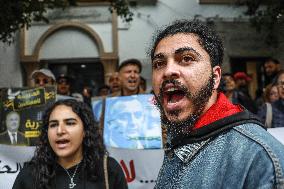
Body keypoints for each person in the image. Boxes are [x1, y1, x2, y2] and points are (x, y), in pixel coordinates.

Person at [150, 20, 284, 188]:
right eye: (159, 63)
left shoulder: (261, 159)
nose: (168, 71)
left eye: (186, 58)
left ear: (215, 78)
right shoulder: (178, 138)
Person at [13, 99, 128, 189]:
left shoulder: (108, 169)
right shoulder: (30, 174)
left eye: (70, 123)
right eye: (53, 125)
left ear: (85, 131)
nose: (60, 131)